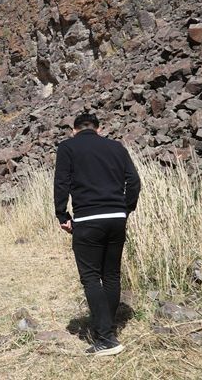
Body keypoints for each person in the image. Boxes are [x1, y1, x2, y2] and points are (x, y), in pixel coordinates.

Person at [54, 112, 140, 357]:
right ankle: (108, 326)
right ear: (99, 129)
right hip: (116, 218)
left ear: (74, 130)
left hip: (88, 220)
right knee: (111, 274)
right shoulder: (115, 147)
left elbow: (61, 183)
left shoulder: (68, 147)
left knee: (91, 277)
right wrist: (125, 208)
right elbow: (133, 181)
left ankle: (106, 339)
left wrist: (63, 215)